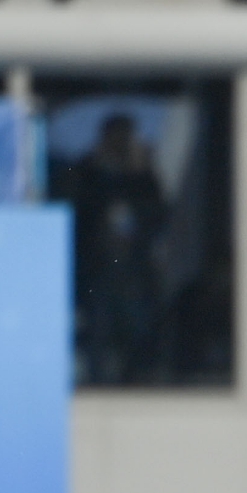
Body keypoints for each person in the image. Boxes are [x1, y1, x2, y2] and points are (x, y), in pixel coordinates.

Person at [70, 113, 166, 383]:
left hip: (134, 266)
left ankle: (135, 377)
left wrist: (140, 172)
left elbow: (157, 212)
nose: (122, 142)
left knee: (137, 326)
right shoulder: (88, 169)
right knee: (99, 326)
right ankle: (98, 377)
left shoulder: (141, 172)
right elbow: (81, 209)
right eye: (117, 136)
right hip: (98, 264)